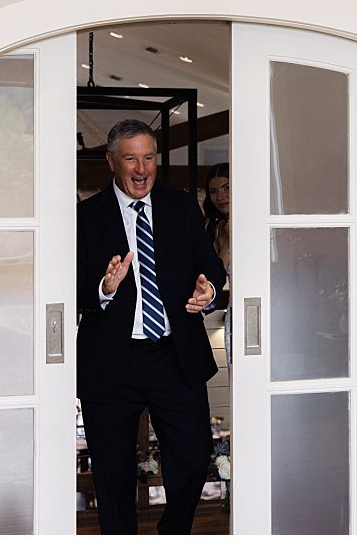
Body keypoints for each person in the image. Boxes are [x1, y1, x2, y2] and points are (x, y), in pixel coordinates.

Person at [76, 119, 227, 535]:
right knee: (112, 473)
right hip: (111, 361)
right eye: (130, 158)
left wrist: (209, 287)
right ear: (111, 162)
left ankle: (172, 534)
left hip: (173, 355)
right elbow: (70, 288)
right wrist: (104, 289)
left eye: (148, 157)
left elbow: (208, 262)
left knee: (195, 457)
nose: (141, 168)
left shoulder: (181, 206)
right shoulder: (85, 217)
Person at [201, 163, 232, 313]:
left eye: (227, 188)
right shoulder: (216, 228)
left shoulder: (256, 224)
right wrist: (227, 238)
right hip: (233, 306)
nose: (220, 196)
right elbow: (217, 274)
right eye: (214, 191)